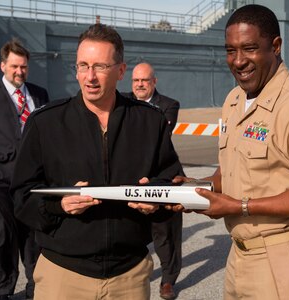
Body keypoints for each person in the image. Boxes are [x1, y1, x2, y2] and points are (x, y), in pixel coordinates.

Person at [171, 4, 289, 300]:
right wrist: (196, 190)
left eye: (249, 48)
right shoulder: (233, 100)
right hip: (240, 257)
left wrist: (238, 207)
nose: (238, 61)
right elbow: (233, 171)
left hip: (286, 257)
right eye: (230, 50)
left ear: (275, 46)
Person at [10, 23, 183, 300]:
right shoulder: (46, 123)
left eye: (100, 67)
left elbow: (172, 183)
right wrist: (59, 205)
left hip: (129, 277)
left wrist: (155, 201)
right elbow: (21, 195)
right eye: (83, 66)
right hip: (63, 276)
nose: (90, 77)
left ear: (121, 71)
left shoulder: (150, 122)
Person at [0, 39, 49, 300]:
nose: (19, 72)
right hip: (0, 177)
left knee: (32, 231)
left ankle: (33, 287)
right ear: (3, 65)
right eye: (14, 66)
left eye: (24, 67)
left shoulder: (39, 94)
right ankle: (3, 290)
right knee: (5, 230)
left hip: (33, 179)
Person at [123, 62, 181, 300]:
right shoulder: (121, 100)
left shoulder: (168, 106)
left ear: (153, 82)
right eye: (136, 80)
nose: (139, 85)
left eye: (145, 80)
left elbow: (156, 138)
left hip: (160, 175)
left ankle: (168, 280)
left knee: (165, 232)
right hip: (130, 175)